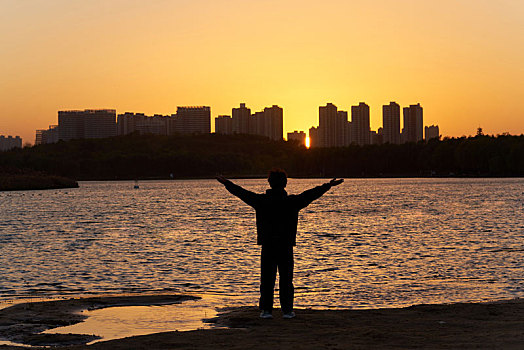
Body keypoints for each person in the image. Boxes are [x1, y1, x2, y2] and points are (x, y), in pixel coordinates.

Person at [216, 169, 343, 319]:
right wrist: (328, 185)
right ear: (285, 183)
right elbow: (311, 194)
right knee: (286, 279)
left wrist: (226, 183)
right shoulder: (292, 202)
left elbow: (242, 193)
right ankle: (287, 310)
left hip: (268, 245)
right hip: (286, 245)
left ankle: (266, 311)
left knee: (267, 279)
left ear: (269, 183)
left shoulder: (261, 201)